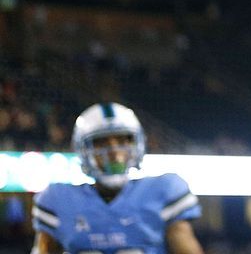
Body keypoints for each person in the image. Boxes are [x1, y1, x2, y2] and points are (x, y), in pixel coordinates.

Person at [31, 102, 204, 254]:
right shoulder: (58, 200)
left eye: (123, 141)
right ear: (82, 150)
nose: (114, 152)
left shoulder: (165, 191)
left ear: (138, 144)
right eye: (101, 142)